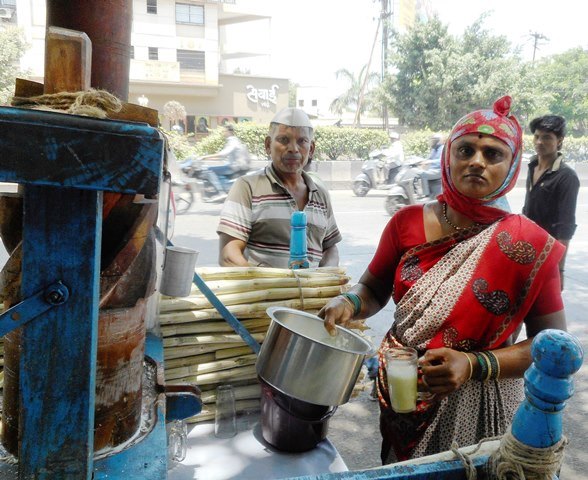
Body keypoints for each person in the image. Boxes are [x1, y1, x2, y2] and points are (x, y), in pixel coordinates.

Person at [319, 96, 566, 464]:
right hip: (403, 388)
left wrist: (473, 365)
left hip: (481, 404)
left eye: (493, 154)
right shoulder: (405, 222)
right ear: (448, 156)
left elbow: (552, 346)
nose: (476, 161)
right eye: (465, 149)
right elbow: (372, 288)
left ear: (511, 165)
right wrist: (349, 303)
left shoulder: (528, 244)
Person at [216, 107, 342, 268]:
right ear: (268, 145)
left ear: (311, 149)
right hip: (262, 292)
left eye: (302, 141)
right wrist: (268, 287)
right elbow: (229, 255)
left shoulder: (320, 193)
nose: (293, 148)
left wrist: (325, 277)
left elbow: (330, 247)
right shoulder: (247, 187)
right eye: (283, 140)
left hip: (313, 293)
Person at [522, 115, 579, 290]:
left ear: (559, 141)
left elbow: (565, 227)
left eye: (547, 137)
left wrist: (559, 270)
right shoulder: (532, 166)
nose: (539, 142)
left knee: (542, 312)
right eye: (537, 136)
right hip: (526, 251)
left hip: (547, 256)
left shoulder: (566, 177)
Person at [201, 124, 249, 199]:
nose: (223, 133)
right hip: (234, 165)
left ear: (229, 131)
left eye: (224, 131)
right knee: (216, 171)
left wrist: (205, 157)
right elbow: (222, 158)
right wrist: (206, 159)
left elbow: (222, 154)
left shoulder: (232, 141)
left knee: (209, 170)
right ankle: (223, 189)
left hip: (234, 167)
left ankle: (221, 192)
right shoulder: (234, 140)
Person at [419, 133, 443, 197]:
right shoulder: (433, 149)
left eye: (434, 140)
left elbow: (441, 160)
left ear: (438, 141)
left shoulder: (442, 148)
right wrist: (421, 161)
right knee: (417, 172)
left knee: (423, 174)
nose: (432, 142)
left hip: (439, 170)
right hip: (432, 170)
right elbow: (429, 158)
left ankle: (426, 194)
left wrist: (430, 161)